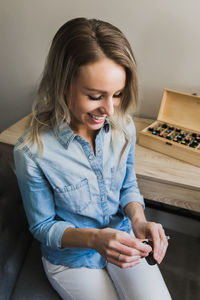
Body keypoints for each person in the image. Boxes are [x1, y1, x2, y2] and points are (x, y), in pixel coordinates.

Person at [14, 17, 171, 300]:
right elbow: (42, 227)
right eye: (95, 96)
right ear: (63, 85)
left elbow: (127, 185)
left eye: (118, 95)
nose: (109, 109)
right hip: (72, 260)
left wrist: (137, 219)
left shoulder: (124, 127)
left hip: (124, 238)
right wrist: (96, 240)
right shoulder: (31, 152)